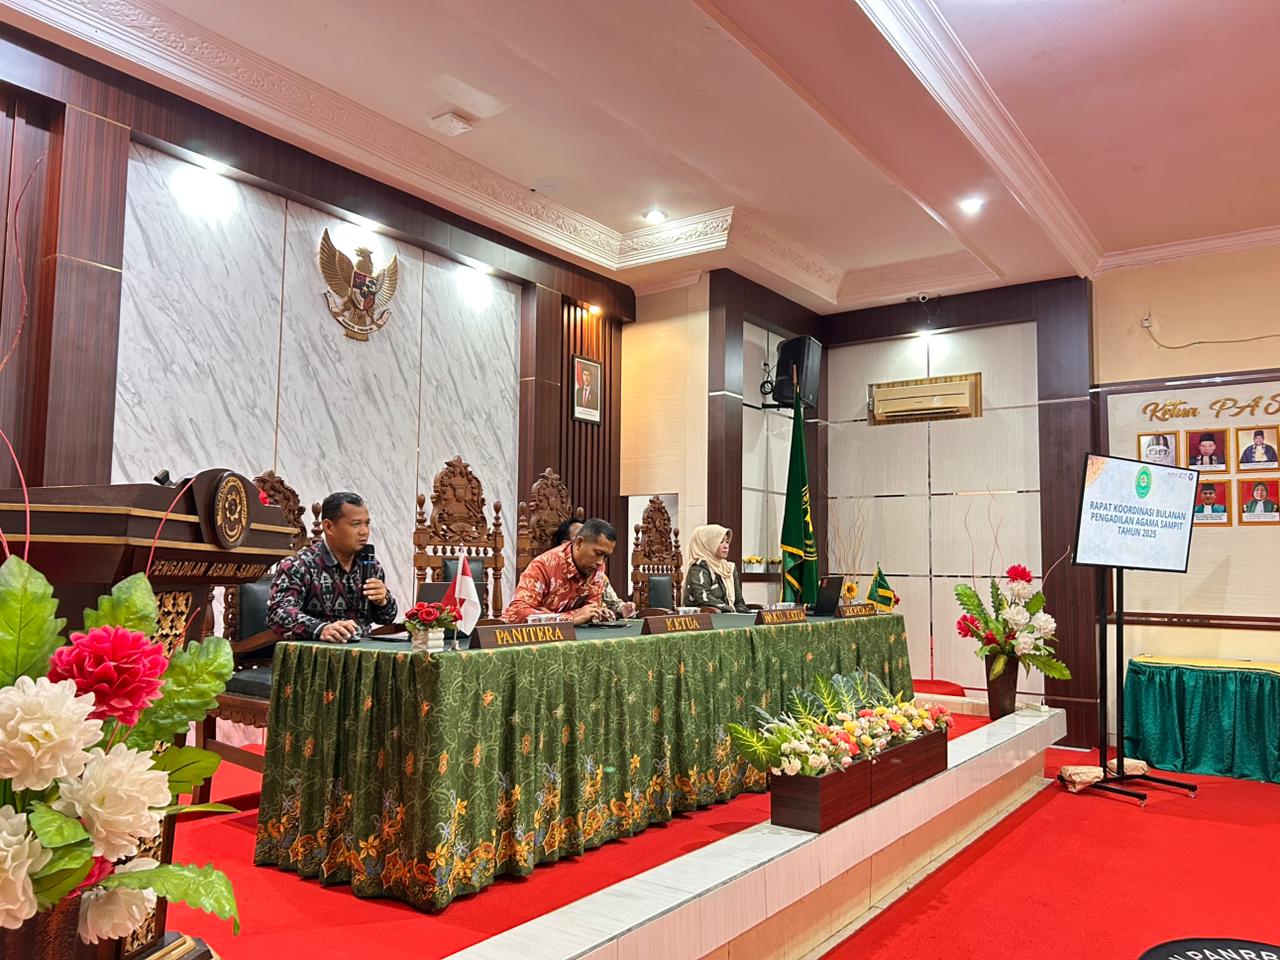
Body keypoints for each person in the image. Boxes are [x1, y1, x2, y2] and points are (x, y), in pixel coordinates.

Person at [267, 491, 398, 643]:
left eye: (367, 523)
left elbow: (386, 618)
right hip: (316, 651)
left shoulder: (370, 565)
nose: (364, 532)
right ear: (328, 527)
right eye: (355, 524)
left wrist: (383, 601)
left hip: (362, 650)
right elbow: (278, 613)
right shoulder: (299, 565)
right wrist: (321, 629)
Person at [502, 518, 617, 624]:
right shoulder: (543, 565)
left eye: (605, 557)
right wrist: (568, 619)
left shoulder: (596, 567)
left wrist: (597, 613)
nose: (600, 562)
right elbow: (516, 612)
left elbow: (590, 611)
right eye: (598, 553)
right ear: (579, 543)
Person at [554, 519, 635, 618]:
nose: (600, 562)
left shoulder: (595, 570)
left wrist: (623, 608)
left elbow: (612, 602)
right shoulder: (549, 569)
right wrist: (571, 617)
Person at [683, 524, 749, 613]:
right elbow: (703, 598)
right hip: (707, 619)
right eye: (721, 542)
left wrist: (745, 613)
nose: (726, 546)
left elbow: (738, 601)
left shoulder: (728, 568)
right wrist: (730, 610)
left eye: (727, 541)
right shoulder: (698, 568)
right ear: (708, 544)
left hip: (729, 616)